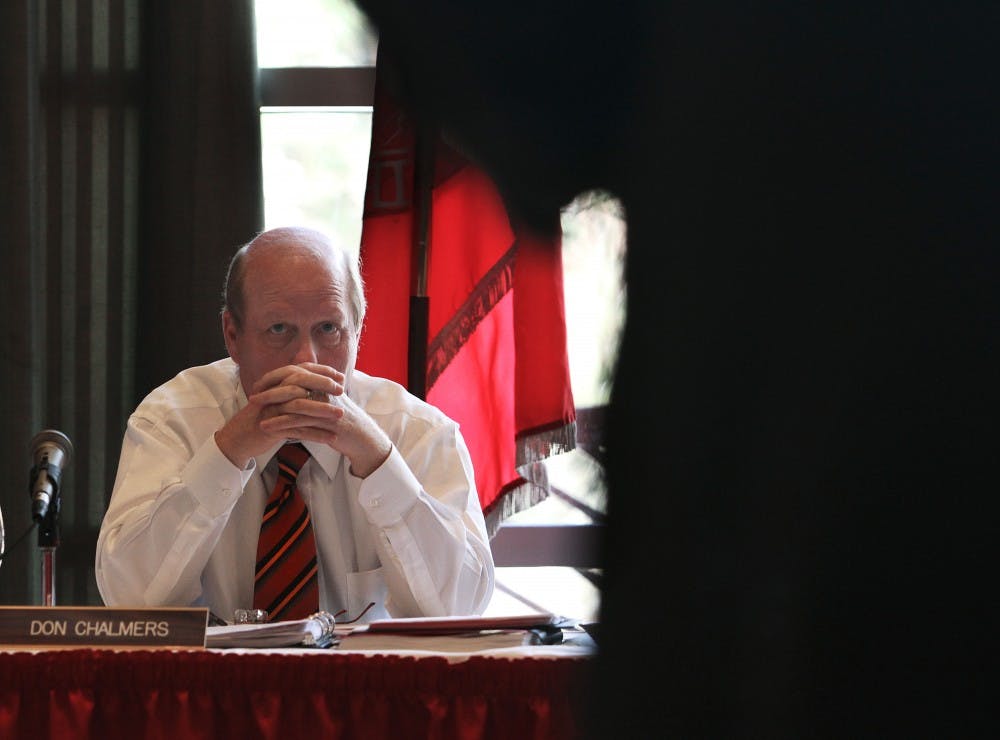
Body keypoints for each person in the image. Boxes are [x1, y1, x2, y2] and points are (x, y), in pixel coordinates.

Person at [95, 226, 495, 623]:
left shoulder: (418, 433)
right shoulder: (174, 420)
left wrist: (379, 462)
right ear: (232, 335)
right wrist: (227, 452)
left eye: (328, 329)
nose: (307, 360)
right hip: (211, 685)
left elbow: (461, 607)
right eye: (279, 330)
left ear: (357, 329)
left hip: (369, 685)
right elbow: (128, 598)